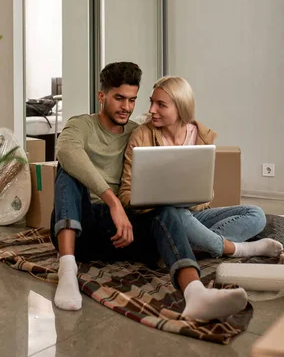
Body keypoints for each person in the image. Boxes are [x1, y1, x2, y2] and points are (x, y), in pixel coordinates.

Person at [51, 63, 247, 321]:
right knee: (67, 171)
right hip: (83, 229)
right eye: (119, 98)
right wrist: (113, 202)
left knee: (165, 209)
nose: (126, 107)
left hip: (126, 234)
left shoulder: (138, 133)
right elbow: (66, 152)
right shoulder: (80, 126)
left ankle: (195, 293)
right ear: (102, 96)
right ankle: (66, 271)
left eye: (132, 100)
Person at [119, 75, 283, 262]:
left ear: (180, 107)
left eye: (161, 105)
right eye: (152, 102)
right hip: (160, 218)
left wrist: (190, 200)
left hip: (194, 216)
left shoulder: (202, 137)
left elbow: (206, 195)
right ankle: (236, 249)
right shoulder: (141, 136)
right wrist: (160, 201)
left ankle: (189, 246)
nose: (151, 110)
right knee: (173, 212)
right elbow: (125, 194)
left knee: (256, 214)